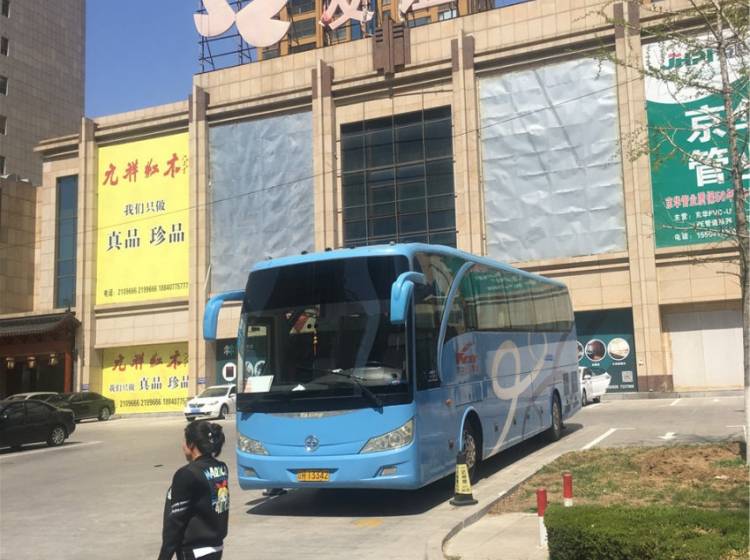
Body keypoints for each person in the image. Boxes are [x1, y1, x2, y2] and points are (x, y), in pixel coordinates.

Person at [159, 421, 229, 560]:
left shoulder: (187, 474)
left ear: (191, 445)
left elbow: (175, 523)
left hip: (195, 551)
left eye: (185, 441)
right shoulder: (221, 468)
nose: (183, 446)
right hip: (216, 547)